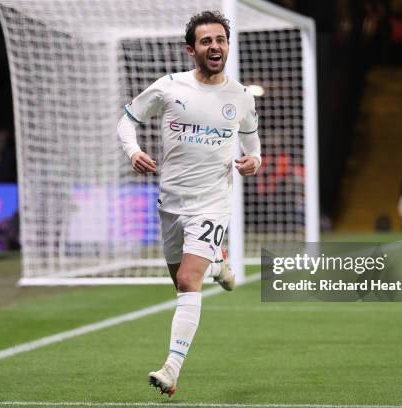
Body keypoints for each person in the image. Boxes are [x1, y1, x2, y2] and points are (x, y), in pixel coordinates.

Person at [116, 10, 261, 397]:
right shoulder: (169, 87)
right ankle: (217, 261)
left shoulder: (240, 96)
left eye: (220, 40)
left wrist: (254, 161)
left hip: (212, 203)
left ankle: (171, 369)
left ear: (228, 46)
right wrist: (133, 152)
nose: (215, 47)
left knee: (186, 281)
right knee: (180, 284)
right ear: (191, 49)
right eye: (206, 41)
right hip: (171, 203)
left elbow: (252, 143)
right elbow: (126, 121)